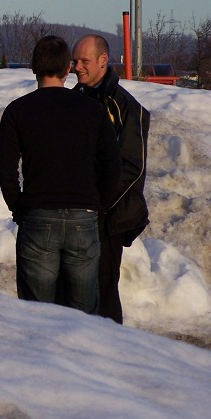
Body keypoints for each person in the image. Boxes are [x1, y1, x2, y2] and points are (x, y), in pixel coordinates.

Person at [0, 35, 121, 314]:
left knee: (37, 315)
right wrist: (97, 205)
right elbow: (112, 166)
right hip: (83, 217)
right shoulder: (93, 110)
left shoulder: (17, 111)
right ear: (68, 69)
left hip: (37, 218)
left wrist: (19, 209)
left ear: (33, 68)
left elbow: (6, 170)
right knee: (83, 315)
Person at [72, 34, 150, 324]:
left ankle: (112, 353)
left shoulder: (124, 105)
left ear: (103, 61)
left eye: (84, 61)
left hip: (108, 216)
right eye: (74, 61)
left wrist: (100, 203)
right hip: (80, 211)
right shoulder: (77, 99)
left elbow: (132, 166)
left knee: (103, 290)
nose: (77, 67)